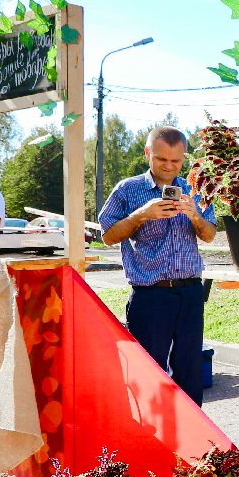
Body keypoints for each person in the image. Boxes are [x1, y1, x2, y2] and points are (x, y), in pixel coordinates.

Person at [98, 127, 217, 404]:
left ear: (183, 158)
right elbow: (107, 236)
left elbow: (209, 235)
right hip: (150, 295)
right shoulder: (128, 189)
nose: (169, 166)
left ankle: (191, 444)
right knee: (147, 374)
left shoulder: (195, 189)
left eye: (175, 161)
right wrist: (140, 215)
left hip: (190, 293)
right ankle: (148, 440)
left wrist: (195, 217)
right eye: (162, 159)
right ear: (148, 152)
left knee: (190, 372)